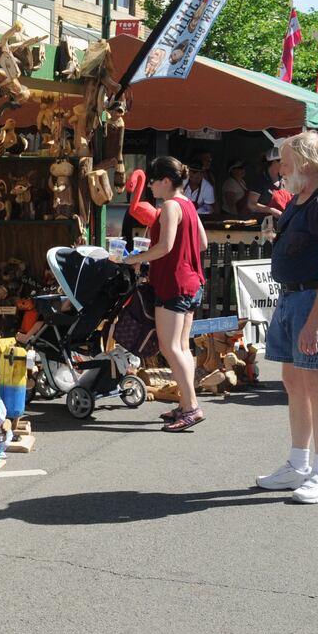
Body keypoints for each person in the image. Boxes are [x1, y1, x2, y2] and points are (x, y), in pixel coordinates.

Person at [252, 131, 318, 505]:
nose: (280, 166)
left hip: (314, 300)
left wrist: (315, 322)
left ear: (308, 162)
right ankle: (299, 464)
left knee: (317, 385)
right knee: (294, 381)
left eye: (286, 160)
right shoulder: (300, 199)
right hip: (293, 297)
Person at [116, 157, 208, 432]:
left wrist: (135, 259)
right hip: (192, 281)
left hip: (173, 282)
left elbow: (165, 246)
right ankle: (186, 403)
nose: (151, 187)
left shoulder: (169, 206)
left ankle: (191, 407)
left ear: (166, 181)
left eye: (154, 181)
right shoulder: (188, 204)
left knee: (170, 347)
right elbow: (202, 243)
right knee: (181, 347)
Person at [246, 147, 291, 222]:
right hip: (265, 224)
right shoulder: (260, 180)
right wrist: (271, 211)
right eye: (283, 162)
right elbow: (251, 204)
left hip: (283, 223)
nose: (285, 165)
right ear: (273, 162)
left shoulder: (284, 180)